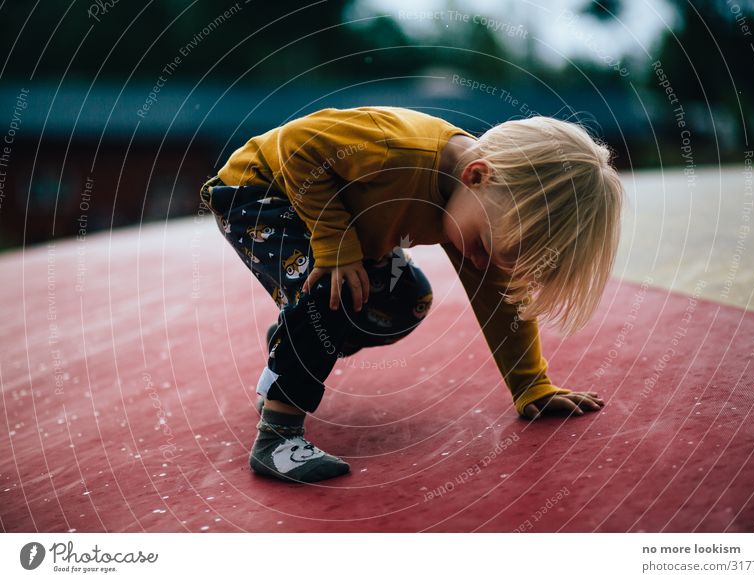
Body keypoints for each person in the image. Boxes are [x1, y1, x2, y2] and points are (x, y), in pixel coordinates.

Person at [199, 106, 622, 484]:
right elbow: (299, 143)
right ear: (477, 176)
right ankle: (278, 438)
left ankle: (290, 345)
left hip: (337, 220)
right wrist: (335, 246)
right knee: (334, 291)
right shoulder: (396, 151)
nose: (482, 262)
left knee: (406, 300)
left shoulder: (478, 200)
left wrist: (531, 384)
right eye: (486, 246)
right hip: (259, 194)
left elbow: (499, 297)